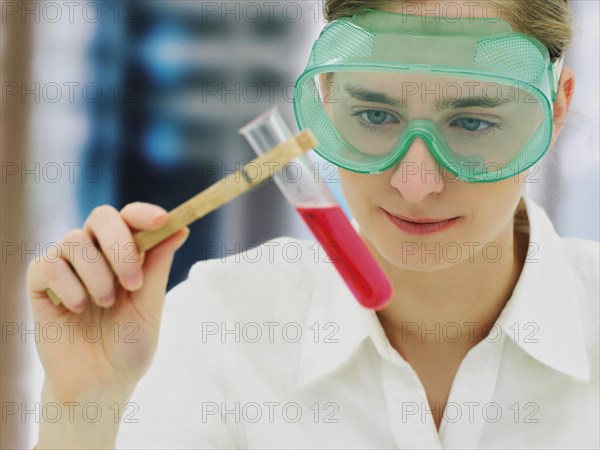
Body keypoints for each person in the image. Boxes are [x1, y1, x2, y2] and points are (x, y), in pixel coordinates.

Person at [28, 1, 598, 448]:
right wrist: (83, 415)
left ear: (557, 108)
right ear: (326, 99)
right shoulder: (222, 322)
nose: (416, 181)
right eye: (375, 115)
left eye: (473, 122)